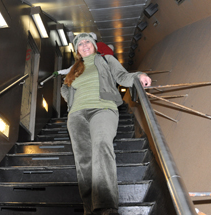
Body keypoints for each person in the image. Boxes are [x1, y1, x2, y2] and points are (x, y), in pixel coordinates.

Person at [60, 33, 151, 215]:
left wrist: (139, 76)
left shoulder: (106, 59)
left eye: (87, 42)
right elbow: (66, 89)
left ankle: (106, 206)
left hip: (103, 108)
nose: (84, 45)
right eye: (80, 44)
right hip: (77, 115)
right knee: (83, 160)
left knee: (102, 144)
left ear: (94, 45)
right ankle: (89, 209)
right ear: (77, 50)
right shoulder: (74, 68)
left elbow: (122, 76)